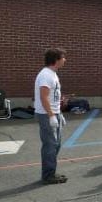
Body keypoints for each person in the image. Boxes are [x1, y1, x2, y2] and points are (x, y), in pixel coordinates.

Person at [34, 47, 68, 184]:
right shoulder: (46, 75)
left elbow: (51, 96)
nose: (65, 60)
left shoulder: (53, 74)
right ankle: (48, 175)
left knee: (56, 144)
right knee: (50, 145)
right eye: (63, 57)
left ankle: (51, 171)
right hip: (46, 115)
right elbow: (43, 97)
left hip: (54, 112)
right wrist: (51, 116)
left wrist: (59, 108)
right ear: (56, 60)